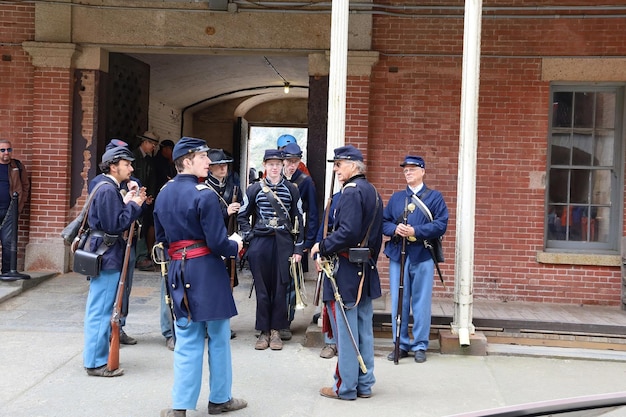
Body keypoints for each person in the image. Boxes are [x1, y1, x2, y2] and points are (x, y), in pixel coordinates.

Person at [154, 137, 247, 417]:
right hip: (206, 269)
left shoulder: (164, 193)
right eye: (203, 157)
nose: (209, 162)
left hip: (178, 270)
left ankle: (180, 406)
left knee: (187, 337)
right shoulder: (204, 194)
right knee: (218, 336)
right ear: (187, 161)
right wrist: (236, 245)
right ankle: (220, 399)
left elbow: (161, 239)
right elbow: (218, 243)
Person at [310, 144, 382, 400]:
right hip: (365, 267)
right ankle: (364, 383)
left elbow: (348, 232)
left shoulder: (351, 193)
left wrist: (322, 245)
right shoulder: (372, 190)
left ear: (352, 165)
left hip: (347, 270)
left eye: (339, 165)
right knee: (363, 329)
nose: (336, 170)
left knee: (347, 332)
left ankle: (346, 386)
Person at [83, 145, 146, 377]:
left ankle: (95, 358)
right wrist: (134, 205)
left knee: (98, 308)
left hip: (103, 252)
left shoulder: (105, 185)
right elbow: (115, 225)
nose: (130, 168)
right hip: (107, 254)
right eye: (126, 164)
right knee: (100, 311)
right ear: (113, 166)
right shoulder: (108, 190)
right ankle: (96, 362)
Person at [382, 155, 448, 363]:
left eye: (412, 169)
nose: (408, 172)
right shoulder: (396, 198)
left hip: (422, 254)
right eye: (405, 170)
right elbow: (383, 223)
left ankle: (420, 344)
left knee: (421, 302)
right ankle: (399, 343)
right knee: (398, 302)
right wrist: (395, 228)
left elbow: (441, 225)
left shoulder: (435, 197)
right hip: (398, 255)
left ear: (422, 171)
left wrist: (415, 230)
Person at [237, 149, 304, 351]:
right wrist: (250, 236)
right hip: (261, 244)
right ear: (265, 166)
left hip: (284, 243)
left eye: (277, 164)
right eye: (270, 164)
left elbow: (299, 219)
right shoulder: (255, 189)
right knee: (262, 289)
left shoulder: (292, 189)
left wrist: (298, 248)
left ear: (282, 165)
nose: (274, 167)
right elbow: (242, 215)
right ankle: (263, 331)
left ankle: (276, 330)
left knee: (280, 288)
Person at [280, 142, 319, 341]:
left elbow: (312, 214)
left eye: (295, 161)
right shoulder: (274, 180)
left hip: (296, 237)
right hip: (276, 239)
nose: (291, 165)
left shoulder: (305, 182)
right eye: (288, 161)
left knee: (291, 282)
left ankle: (286, 322)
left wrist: (308, 242)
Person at [206, 148, 243, 339]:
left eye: (225, 164)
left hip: (229, 240)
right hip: (212, 243)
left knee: (226, 285)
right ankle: (208, 324)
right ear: (210, 168)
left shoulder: (233, 188)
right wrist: (225, 212)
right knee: (209, 285)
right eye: (219, 165)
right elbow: (205, 219)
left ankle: (221, 325)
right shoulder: (205, 188)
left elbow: (244, 211)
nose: (223, 168)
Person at [153, 138, 177, 350]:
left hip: (191, 251)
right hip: (172, 248)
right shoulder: (168, 191)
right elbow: (159, 220)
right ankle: (170, 332)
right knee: (168, 293)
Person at [0, 139, 30, 274]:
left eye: (9, 150)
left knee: (8, 243)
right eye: (3, 150)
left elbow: (25, 186)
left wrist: (19, 205)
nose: (6, 153)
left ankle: (6, 272)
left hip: (10, 211)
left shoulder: (17, 165)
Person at [133, 131, 159, 271]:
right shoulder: (133, 157)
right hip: (135, 198)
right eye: (152, 144)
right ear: (145, 142)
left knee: (142, 225)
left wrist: (150, 196)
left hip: (145, 198)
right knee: (138, 226)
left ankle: (141, 256)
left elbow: (152, 179)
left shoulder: (149, 160)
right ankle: (140, 257)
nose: (153, 148)